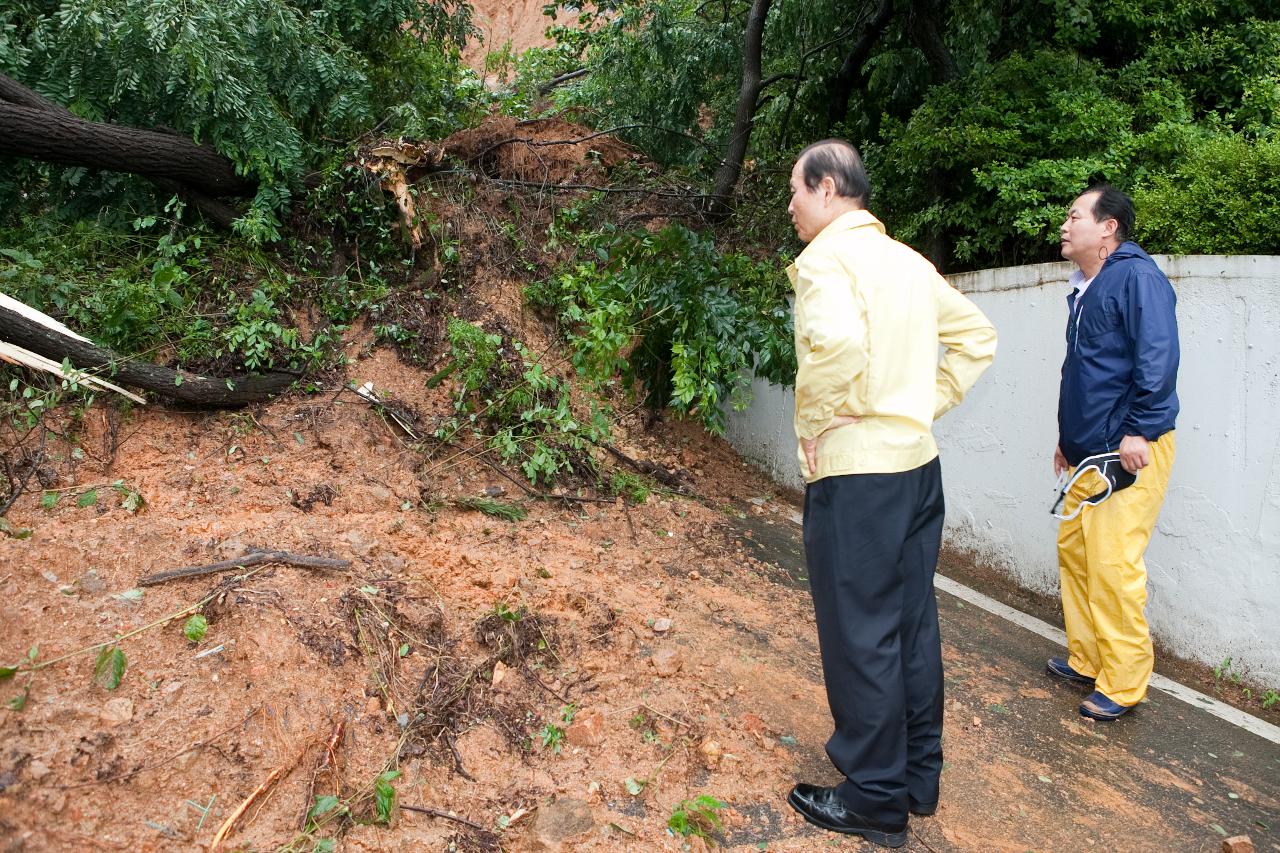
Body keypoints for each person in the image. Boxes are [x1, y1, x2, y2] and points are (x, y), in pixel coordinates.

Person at [783, 139, 996, 848]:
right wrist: (918, 405)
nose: (789, 207)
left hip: (858, 473)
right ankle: (914, 777)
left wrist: (816, 423)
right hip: (917, 468)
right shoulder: (909, 261)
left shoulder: (826, 260)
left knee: (859, 631)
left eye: (794, 192)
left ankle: (873, 797)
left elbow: (839, 344)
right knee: (910, 624)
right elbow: (978, 338)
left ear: (824, 188)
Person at [1048, 185, 1179, 721]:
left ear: (1108, 227)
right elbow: (1087, 372)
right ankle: (1089, 658)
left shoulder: (1136, 277)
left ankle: (1124, 682)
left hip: (1128, 449)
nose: (1064, 224)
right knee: (1077, 554)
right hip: (1089, 452)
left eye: (1074, 215)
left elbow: (1158, 355)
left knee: (1111, 564)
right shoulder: (1088, 284)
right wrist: (1066, 438)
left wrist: (1141, 431)